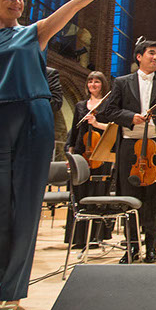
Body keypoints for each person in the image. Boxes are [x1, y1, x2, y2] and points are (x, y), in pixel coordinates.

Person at [0, 0, 142, 310]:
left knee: (25, 205)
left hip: (32, 117)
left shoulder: (34, 33)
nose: (17, 2)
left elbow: (73, 6)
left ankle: (11, 292)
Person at [98, 39, 156, 264]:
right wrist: (130, 117)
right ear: (139, 56)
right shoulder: (122, 82)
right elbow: (108, 111)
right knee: (129, 197)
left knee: (154, 198)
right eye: (151, 53)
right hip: (129, 145)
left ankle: (151, 247)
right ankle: (131, 246)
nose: (155, 58)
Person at [64, 71, 112, 248]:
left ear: (103, 85)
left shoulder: (108, 105)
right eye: (90, 81)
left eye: (97, 81)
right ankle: (78, 237)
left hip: (101, 154)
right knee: (79, 193)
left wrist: (96, 123)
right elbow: (74, 131)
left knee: (96, 194)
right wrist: (70, 154)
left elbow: (113, 128)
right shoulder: (80, 106)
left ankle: (95, 236)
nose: (93, 84)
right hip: (81, 152)